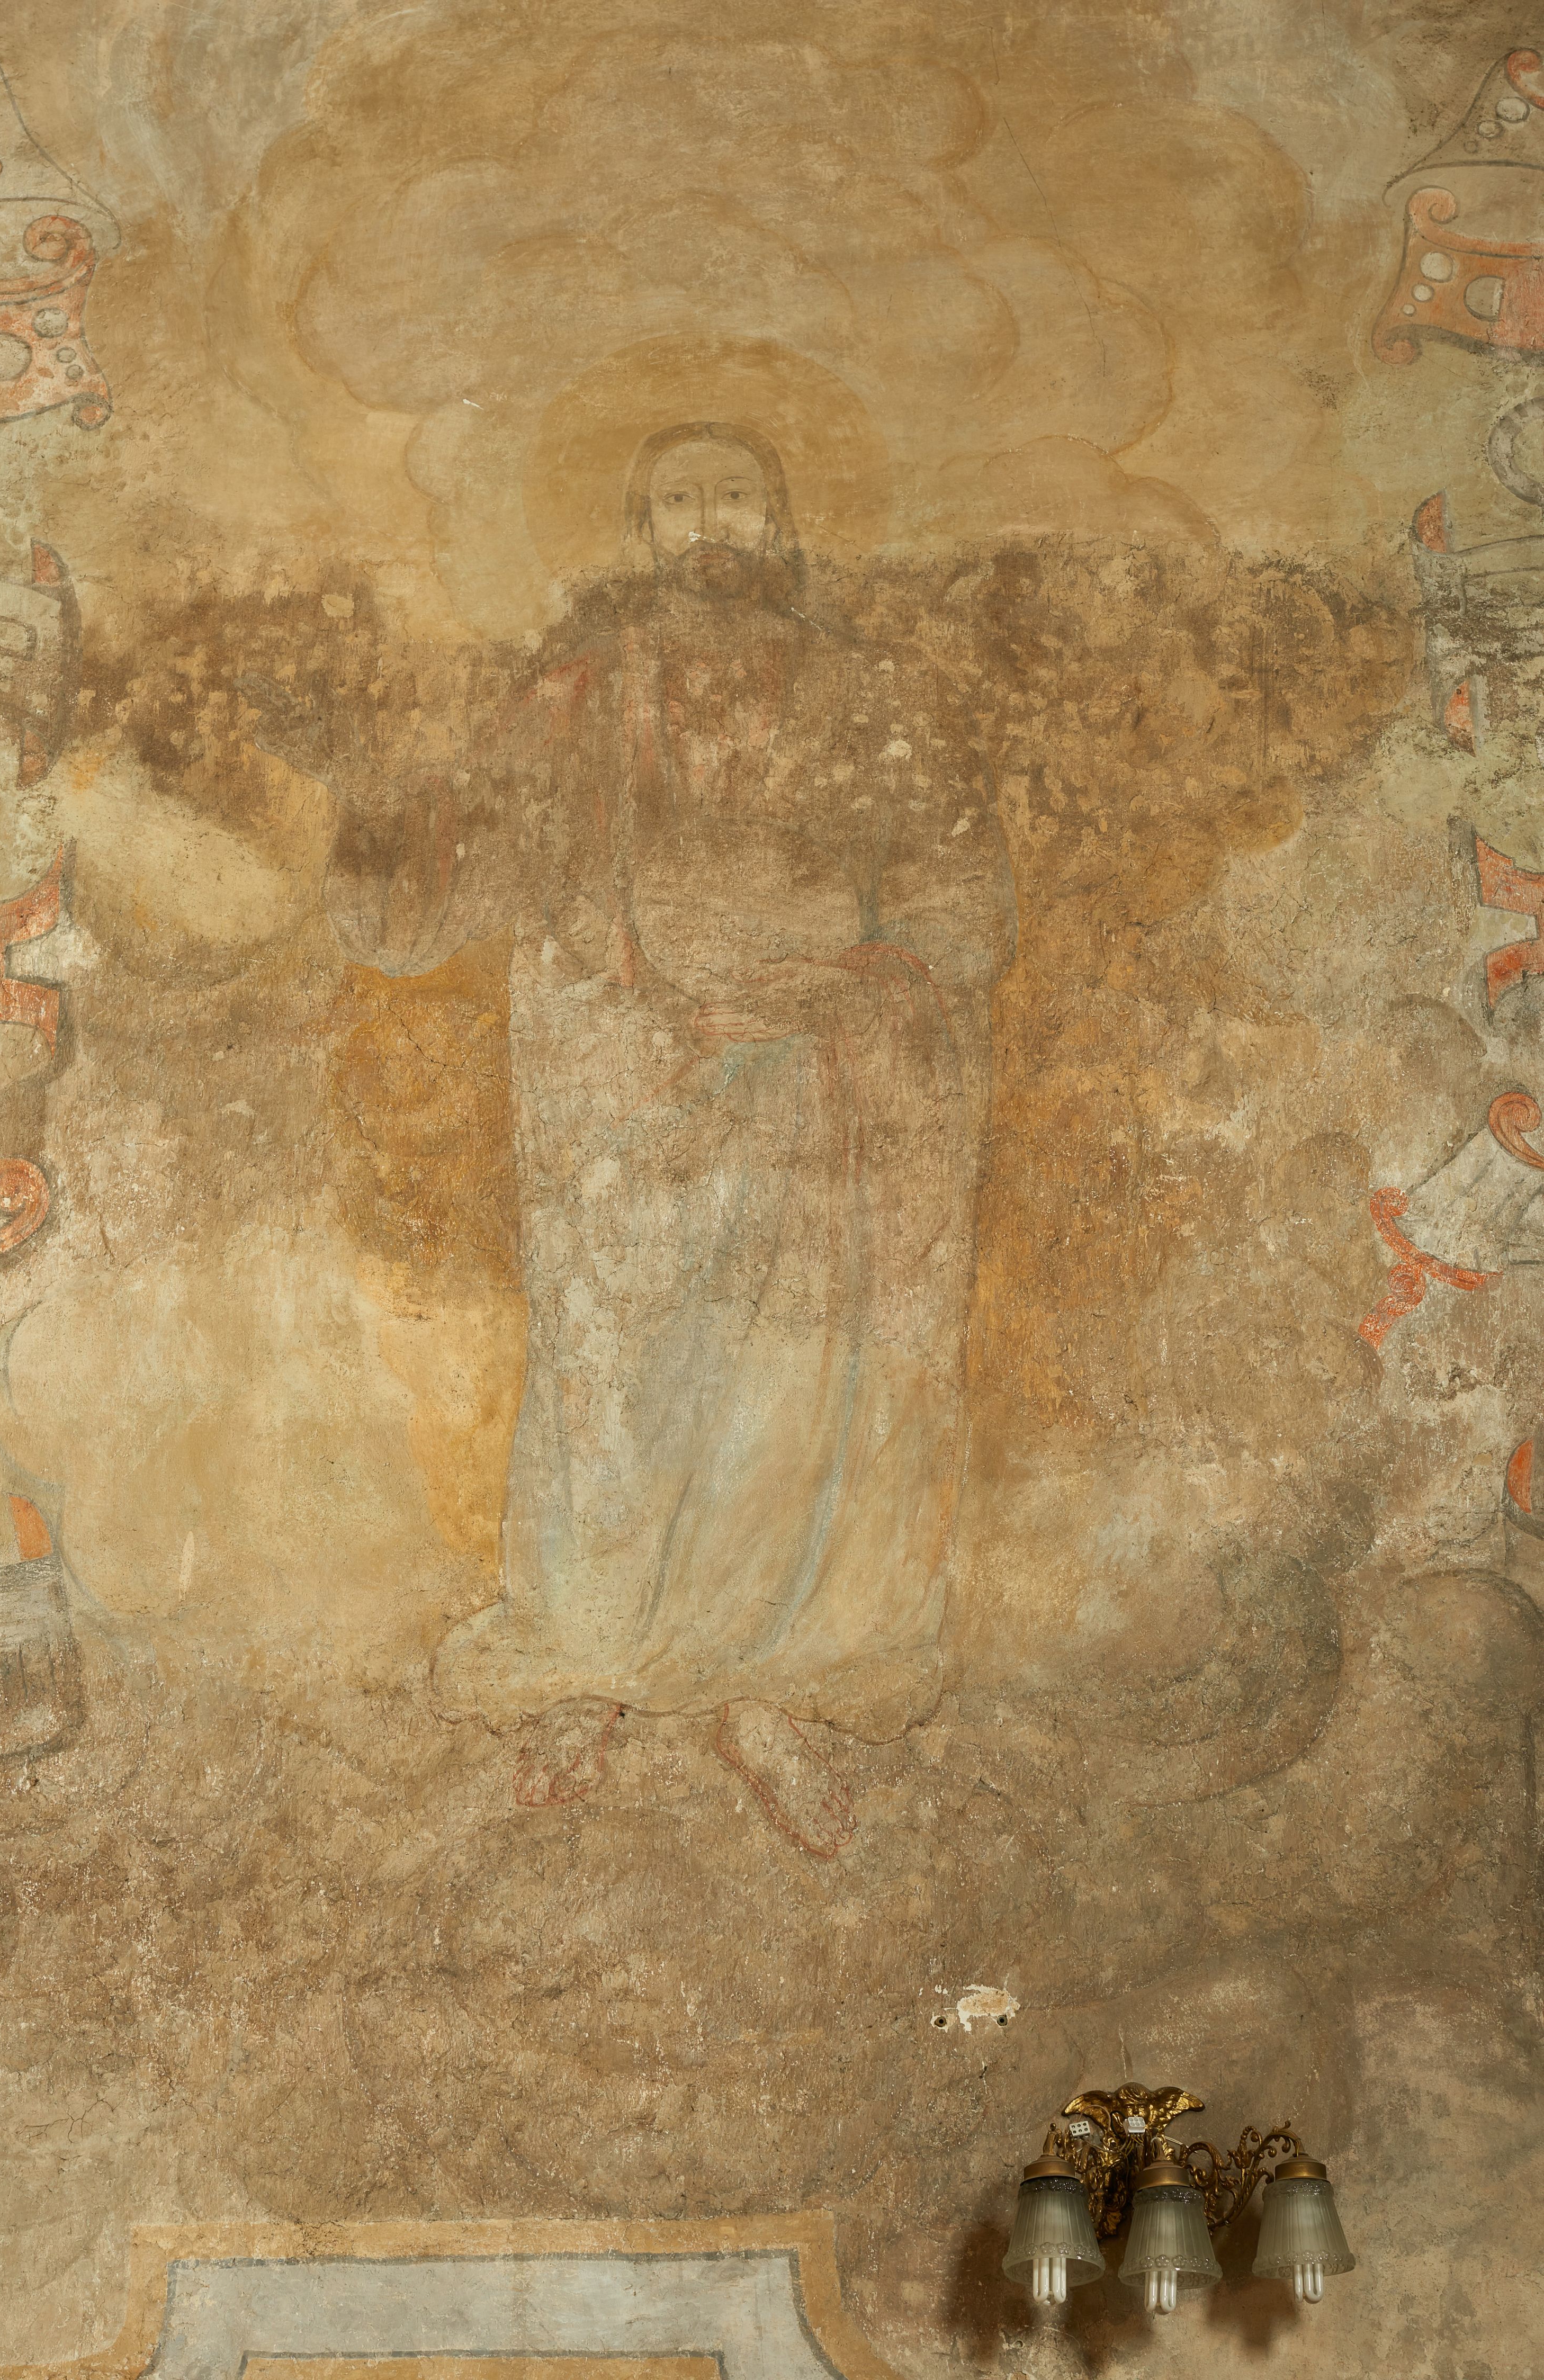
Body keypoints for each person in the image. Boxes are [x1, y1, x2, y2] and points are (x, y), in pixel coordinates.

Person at [272, 421, 1015, 1855]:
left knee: (790, 1393)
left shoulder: (865, 697)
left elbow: (959, 905)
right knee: (611, 1389)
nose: (709, 524)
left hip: (818, 1089)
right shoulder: (576, 697)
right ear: (643, 532)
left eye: (735, 496)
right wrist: (366, 805)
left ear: (778, 523)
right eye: (681, 501)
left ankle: (774, 1690)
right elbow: (455, 861)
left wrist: (831, 989)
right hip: (619, 1088)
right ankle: (591, 1662)